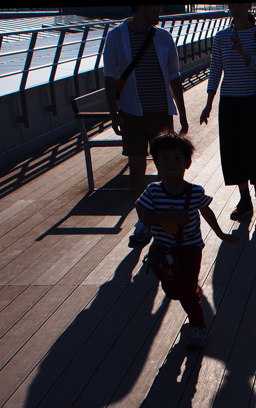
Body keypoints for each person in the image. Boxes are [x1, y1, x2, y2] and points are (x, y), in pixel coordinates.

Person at [137, 133, 238, 348]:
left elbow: (206, 210)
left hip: (190, 248)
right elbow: (145, 217)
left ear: (187, 163)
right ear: (156, 163)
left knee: (188, 288)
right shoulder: (153, 192)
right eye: (164, 159)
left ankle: (197, 326)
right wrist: (168, 216)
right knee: (173, 290)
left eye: (176, 158)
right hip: (163, 250)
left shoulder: (194, 192)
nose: (171, 163)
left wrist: (220, 234)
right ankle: (190, 305)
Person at [101, 5, 190, 248]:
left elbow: (174, 76)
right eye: (156, 7)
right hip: (132, 112)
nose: (160, 11)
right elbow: (109, 76)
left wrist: (182, 113)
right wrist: (113, 113)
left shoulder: (163, 37)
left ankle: (166, 219)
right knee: (137, 166)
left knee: (167, 169)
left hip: (161, 112)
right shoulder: (116, 36)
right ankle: (144, 221)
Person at [200, 3, 256, 221]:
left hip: (253, 102)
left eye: (240, 3)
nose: (236, 8)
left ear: (249, 6)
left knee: (255, 148)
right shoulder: (221, 37)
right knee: (233, 151)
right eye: (232, 3)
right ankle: (244, 199)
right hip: (229, 102)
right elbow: (215, 70)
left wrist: (242, 52)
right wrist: (209, 102)